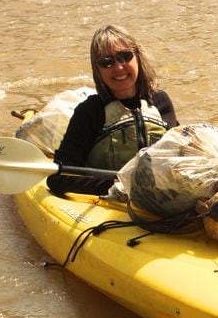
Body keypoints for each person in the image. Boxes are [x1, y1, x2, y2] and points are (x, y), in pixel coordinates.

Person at [47, 25, 179, 196]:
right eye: (107, 62)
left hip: (158, 200)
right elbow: (59, 178)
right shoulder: (90, 112)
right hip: (109, 202)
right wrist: (117, 186)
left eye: (125, 56)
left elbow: (180, 158)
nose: (118, 67)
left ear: (137, 57)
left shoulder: (161, 102)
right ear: (98, 70)